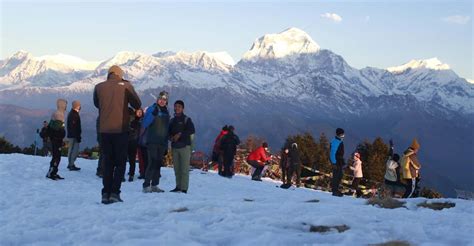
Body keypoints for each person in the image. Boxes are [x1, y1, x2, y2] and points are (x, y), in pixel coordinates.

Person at [94, 65, 141, 204]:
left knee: (107, 162)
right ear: (120, 75)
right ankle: (115, 192)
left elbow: (97, 104)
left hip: (104, 130)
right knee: (120, 163)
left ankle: (105, 193)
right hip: (121, 130)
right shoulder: (126, 85)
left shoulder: (98, 87)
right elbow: (137, 103)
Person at [141, 91, 170, 193]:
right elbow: (145, 123)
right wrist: (152, 115)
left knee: (158, 163)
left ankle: (154, 185)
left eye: (165, 100)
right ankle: (146, 185)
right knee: (152, 163)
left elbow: (167, 129)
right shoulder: (152, 109)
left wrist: (166, 145)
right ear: (157, 99)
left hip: (162, 142)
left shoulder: (166, 112)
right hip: (152, 141)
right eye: (161, 99)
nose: (162, 101)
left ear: (167, 102)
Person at [168, 100, 195, 193]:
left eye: (179, 106)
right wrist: (171, 137)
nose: (177, 108)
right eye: (175, 106)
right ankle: (178, 186)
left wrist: (180, 134)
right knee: (177, 168)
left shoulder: (187, 119)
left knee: (184, 169)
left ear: (183, 108)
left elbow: (191, 130)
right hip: (175, 147)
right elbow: (168, 133)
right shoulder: (172, 120)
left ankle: (184, 188)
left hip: (185, 147)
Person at [45, 99, 67, 180]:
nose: (66, 107)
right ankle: (52, 173)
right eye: (65, 105)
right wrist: (61, 137)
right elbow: (58, 129)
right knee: (57, 157)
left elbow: (52, 126)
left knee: (55, 156)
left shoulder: (56, 113)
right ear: (62, 105)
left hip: (54, 139)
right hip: (56, 140)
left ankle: (52, 172)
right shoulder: (59, 115)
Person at [126, 108, 143, 182]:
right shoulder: (134, 121)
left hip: (133, 142)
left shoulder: (139, 122)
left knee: (131, 159)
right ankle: (131, 174)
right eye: (138, 112)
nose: (139, 113)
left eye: (140, 112)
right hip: (130, 141)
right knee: (128, 159)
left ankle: (131, 174)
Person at [66, 100, 82, 171]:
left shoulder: (73, 113)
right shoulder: (74, 115)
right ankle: (71, 164)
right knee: (74, 151)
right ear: (76, 106)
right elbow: (74, 127)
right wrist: (77, 136)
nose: (80, 106)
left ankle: (71, 164)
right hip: (74, 136)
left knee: (72, 150)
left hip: (72, 135)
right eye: (79, 105)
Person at [330, 128, 345, 197]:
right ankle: (335, 190)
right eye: (342, 134)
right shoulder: (336, 142)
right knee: (336, 176)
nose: (343, 135)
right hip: (337, 161)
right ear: (339, 134)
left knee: (340, 175)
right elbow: (332, 153)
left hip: (339, 161)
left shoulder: (338, 141)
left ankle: (336, 189)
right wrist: (334, 162)